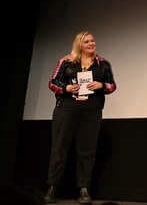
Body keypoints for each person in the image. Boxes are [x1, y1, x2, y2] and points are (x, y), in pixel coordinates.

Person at [43, 30, 117, 204]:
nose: (91, 44)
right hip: (67, 109)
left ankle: (84, 188)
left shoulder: (103, 64)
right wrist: (66, 89)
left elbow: (112, 86)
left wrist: (101, 85)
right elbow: (52, 82)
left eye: (93, 41)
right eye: (87, 42)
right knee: (59, 148)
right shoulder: (66, 61)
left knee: (87, 151)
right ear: (79, 45)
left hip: (91, 111)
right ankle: (53, 187)